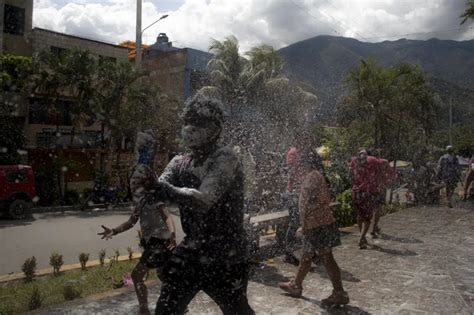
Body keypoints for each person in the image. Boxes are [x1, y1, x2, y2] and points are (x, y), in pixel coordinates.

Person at [132, 93, 254, 315]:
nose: (190, 128)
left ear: (215, 129)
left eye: (198, 123)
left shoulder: (226, 159)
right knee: (166, 309)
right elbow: (153, 193)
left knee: (237, 310)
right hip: (192, 250)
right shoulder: (180, 161)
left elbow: (203, 199)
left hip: (227, 254)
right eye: (187, 122)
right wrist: (143, 165)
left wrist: (159, 187)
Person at [98, 166, 177, 315]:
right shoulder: (142, 202)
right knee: (165, 276)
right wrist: (113, 231)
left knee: (137, 275)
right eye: (132, 181)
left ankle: (144, 309)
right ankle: (176, 305)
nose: (132, 184)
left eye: (136, 181)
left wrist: (173, 234)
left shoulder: (155, 199)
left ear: (146, 182)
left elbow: (167, 217)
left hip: (159, 243)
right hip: (154, 244)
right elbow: (131, 222)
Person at [278, 151, 349, 306]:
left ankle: (339, 293)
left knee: (327, 258)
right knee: (306, 257)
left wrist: (303, 226)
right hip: (320, 223)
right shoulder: (318, 175)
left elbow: (303, 205)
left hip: (317, 225)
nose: (298, 167)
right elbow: (325, 199)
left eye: (300, 164)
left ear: (305, 164)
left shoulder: (311, 177)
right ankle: (296, 285)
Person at [350, 149, 381, 249]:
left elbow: (350, 175)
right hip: (367, 193)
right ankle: (361, 239)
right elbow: (379, 173)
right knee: (367, 219)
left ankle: (362, 238)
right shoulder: (373, 160)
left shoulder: (354, 161)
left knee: (359, 216)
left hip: (355, 192)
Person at [282, 146, 304, 265]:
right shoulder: (294, 152)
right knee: (294, 224)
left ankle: (306, 251)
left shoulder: (296, 152)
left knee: (298, 223)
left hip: (295, 195)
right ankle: (288, 253)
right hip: (293, 196)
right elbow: (294, 175)